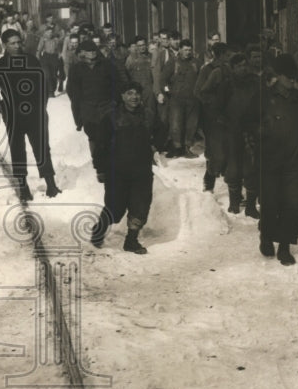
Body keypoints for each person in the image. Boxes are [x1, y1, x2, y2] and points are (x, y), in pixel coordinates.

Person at [246, 53, 298, 266]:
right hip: (269, 162)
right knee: (270, 203)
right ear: (279, 76)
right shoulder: (263, 98)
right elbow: (247, 125)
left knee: (292, 205)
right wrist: (258, 137)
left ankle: (284, 246)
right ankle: (266, 237)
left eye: (295, 77)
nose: (292, 81)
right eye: (288, 77)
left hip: (293, 163)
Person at [0, 29, 61, 201]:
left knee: (42, 148)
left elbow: (43, 86)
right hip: (14, 117)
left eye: (18, 42)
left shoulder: (31, 60)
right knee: (17, 151)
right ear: (5, 45)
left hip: (36, 115)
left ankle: (51, 184)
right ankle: (23, 187)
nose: (17, 46)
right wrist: (6, 111)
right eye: (12, 43)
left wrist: (41, 107)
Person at [91, 82, 157, 254]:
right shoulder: (112, 117)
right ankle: (99, 230)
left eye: (137, 93)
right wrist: (100, 169)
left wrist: (155, 146)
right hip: (117, 171)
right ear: (122, 96)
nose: (134, 97)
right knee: (115, 207)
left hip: (141, 170)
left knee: (140, 205)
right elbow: (100, 145)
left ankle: (131, 240)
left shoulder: (148, 115)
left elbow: (161, 132)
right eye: (129, 93)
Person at [67, 39, 119, 182]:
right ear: (82, 53)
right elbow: (73, 93)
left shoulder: (107, 66)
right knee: (94, 137)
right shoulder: (76, 69)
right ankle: (100, 168)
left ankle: (109, 166)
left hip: (106, 107)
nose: (92, 53)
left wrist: (115, 103)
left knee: (107, 137)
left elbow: (117, 85)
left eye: (94, 50)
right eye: (88, 51)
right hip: (88, 109)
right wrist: (78, 117)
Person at [224, 53, 261, 216]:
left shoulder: (255, 82)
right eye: (238, 66)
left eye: (244, 65)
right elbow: (217, 106)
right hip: (232, 131)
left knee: (251, 168)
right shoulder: (227, 84)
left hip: (252, 131)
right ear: (232, 68)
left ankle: (251, 206)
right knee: (233, 168)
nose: (242, 68)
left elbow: (263, 103)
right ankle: (234, 203)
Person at [196, 42, 231, 191]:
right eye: (227, 55)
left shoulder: (229, 69)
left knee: (229, 149)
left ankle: (233, 188)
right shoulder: (207, 70)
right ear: (220, 55)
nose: (229, 58)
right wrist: (212, 105)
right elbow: (198, 91)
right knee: (215, 151)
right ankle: (208, 183)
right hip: (212, 118)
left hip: (228, 116)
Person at [160, 38, 200, 159]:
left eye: (189, 49)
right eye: (185, 50)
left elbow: (201, 79)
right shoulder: (173, 62)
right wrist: (168, 93)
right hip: (176, 100)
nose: (188, 52)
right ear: (180, 50)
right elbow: (163, 80)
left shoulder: (196, 62)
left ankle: (187, 147)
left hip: (193, 100)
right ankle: (177, 148)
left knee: (191, 125)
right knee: (176, 124)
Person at [35, 21, 65, 96]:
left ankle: (53, 88)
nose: (49, 34)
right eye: (48, 32)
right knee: (47, 75)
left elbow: (59, 48)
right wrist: (38, 58)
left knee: (54, 75)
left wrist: (59, 55)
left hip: (54, 58)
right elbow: (39, 49)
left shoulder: (56, 39)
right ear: (45, 33)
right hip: (46, 57)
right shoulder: (43, 39)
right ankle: (50, 91)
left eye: (51, 32)